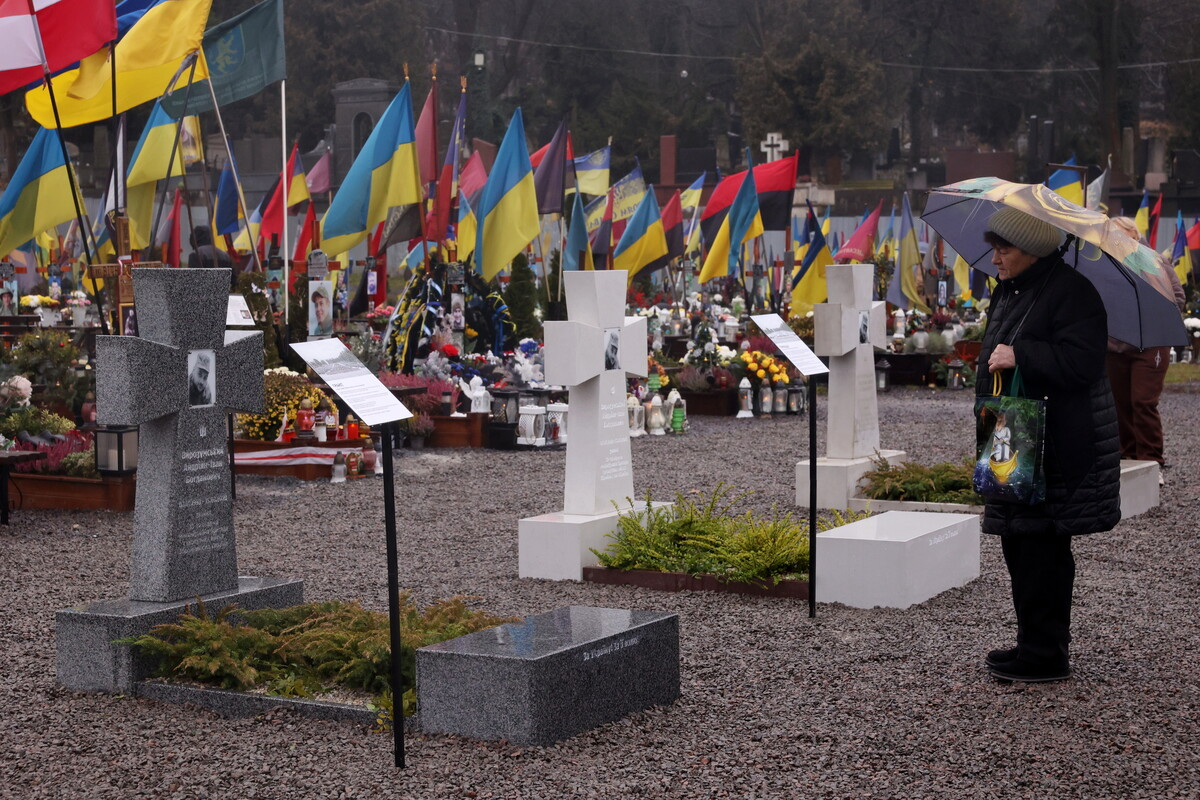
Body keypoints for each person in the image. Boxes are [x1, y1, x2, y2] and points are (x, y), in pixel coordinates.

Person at [976, 206, 1121, 683]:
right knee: (1020, 544)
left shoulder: (1072, 293)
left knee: (1042, 548)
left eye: (1004, 248)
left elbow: (1084, 363)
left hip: (1055, 445)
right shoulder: (1018, 287)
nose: (994, 257)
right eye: (995, 247)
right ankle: (1033, 641)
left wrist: (1022, 354)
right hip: (1018, 436)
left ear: (1033, 251)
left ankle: (1045, 654)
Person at [1104, 216, 1185, 482]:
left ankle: (1151, 462)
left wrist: (1151, 315)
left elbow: (1177, 297)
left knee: (1142, 401)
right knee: (1120, 403)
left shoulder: (1156, 262)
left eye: (1121, 233)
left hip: (1151, 342)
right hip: (1115, 344)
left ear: (1134, 235)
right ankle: (1127, 459)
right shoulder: (1104, 263)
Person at [187, 225, 235, 289]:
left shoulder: (196, 254)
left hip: (202, 295)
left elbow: (193, 280)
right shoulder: (225, 256)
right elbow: (233, 280)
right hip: (221, 294)